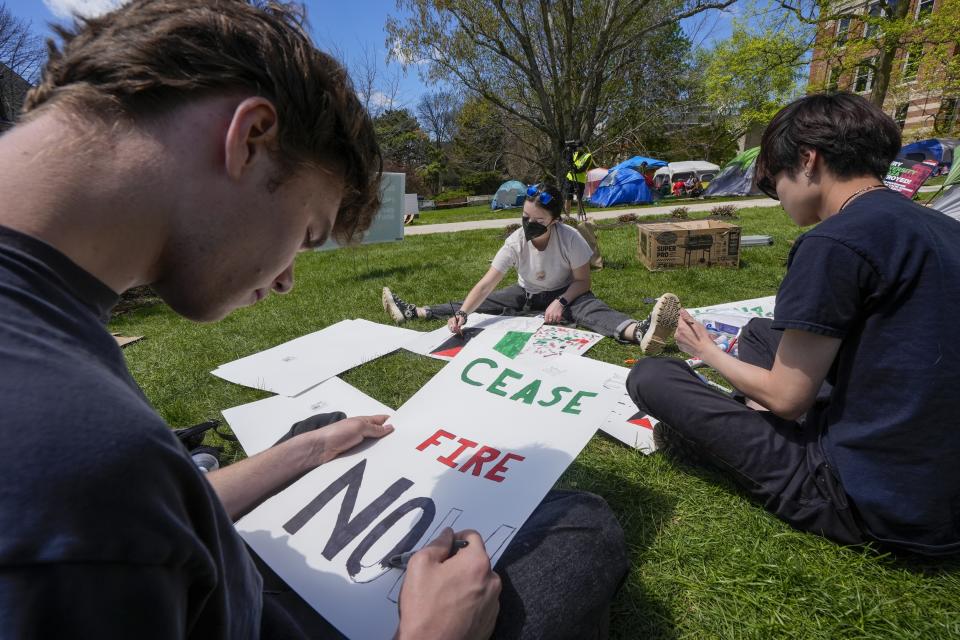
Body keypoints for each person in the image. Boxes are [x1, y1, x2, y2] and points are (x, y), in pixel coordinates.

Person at [0, 1, 628, 638]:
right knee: (580, 527)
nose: (286, 279)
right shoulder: (75, 451)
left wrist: (304, 450)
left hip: (214, 565)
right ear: (248, 138)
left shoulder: (50, 337)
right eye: (306, 232)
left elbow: (144, 515)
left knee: (329, 427)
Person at [627, 92, 960, 556]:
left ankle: (717, 443)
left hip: (867, 497)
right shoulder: (942, 226)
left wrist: (706, 352)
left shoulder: (833, 242)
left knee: (651, 376)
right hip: (938, 478)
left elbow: (787, 400)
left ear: (807, 161)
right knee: (765, 332)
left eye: (773, 180)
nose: (778, 194)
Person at [383, 182, 681, 355]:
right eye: (525, 216)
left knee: (590, 309)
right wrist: (463, 314)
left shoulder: (570, 238)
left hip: (567, 293)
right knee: (485, 301)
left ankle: (639, 332)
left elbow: (583, 282)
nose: (529, 224)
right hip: (526, 294)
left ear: (554, 221)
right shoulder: (515, 241)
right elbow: (487, 282)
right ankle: (418, 312)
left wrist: (562, 300)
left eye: (537, 221)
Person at [564, 147, 593, 216]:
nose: (578, 149)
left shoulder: (588, 156)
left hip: (580, 180)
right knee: (568, 197)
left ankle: (578, 216)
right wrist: (568, 154)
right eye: (577, 147)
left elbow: (583, 168)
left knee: (579, 199)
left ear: (583, 147)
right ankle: (567, 217)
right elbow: (568, 163)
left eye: (580, 147)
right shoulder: (574, 154)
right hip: (570, 178)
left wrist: (575, 169)